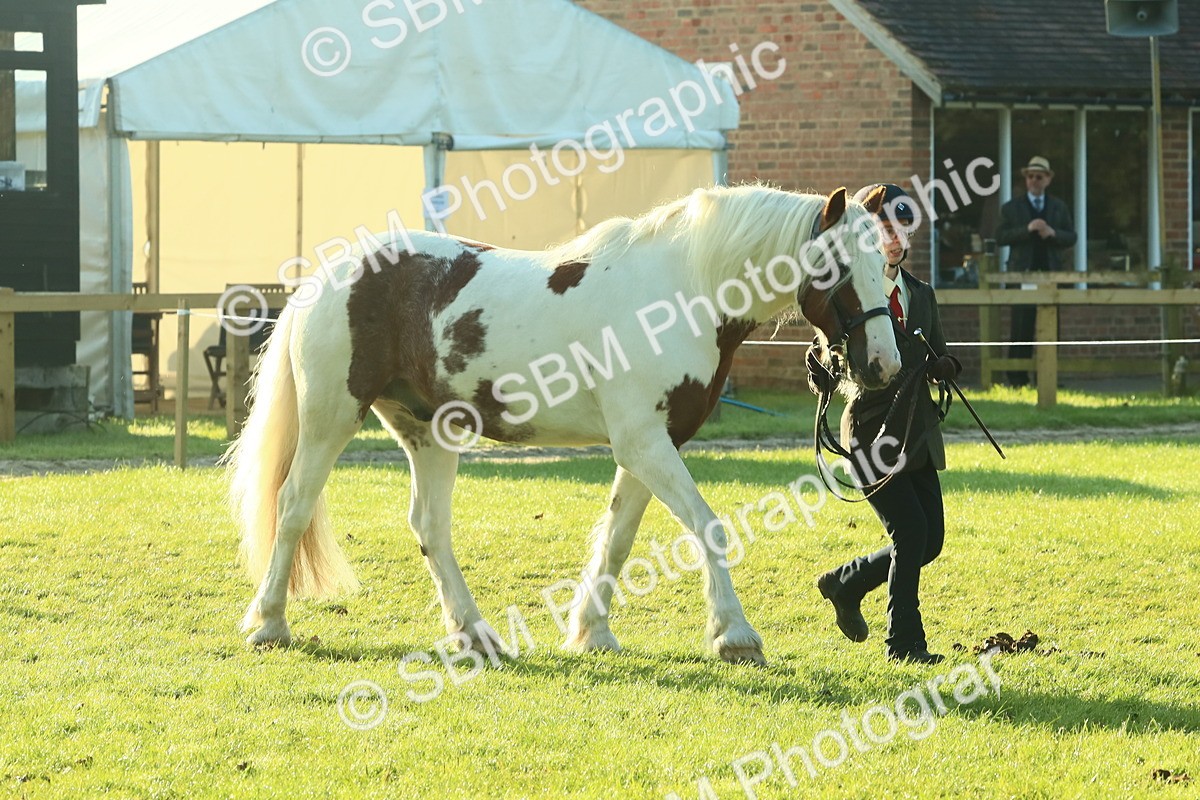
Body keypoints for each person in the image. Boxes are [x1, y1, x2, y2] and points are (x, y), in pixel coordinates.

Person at [809, 183, 961, 665]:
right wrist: (821, 370)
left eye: (901, 227)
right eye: (883, 228)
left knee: (929, 541)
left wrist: (944, 365)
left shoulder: (923, 294)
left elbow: (935, 347)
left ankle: (846, 582)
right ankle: (904, 643)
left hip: (916, 431)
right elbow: (826, 351)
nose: (894, 237)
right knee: (910, 532)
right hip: (872, 432)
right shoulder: (851, 288)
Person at [995, 156, 1077, 387]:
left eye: (1039, 177)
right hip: (1023, 275)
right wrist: (1027, 229)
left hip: (1050, 276)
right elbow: (1000, 236)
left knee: (1051, 327)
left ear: (1048, 179)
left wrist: (1052, 233)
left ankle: (1048, 379)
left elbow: (1071, 236)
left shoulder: (1058, 207)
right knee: (1021, 324)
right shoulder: (1011, 208)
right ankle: (1017, 379)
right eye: (1030, 176)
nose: (1034, 181)